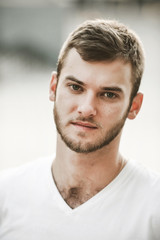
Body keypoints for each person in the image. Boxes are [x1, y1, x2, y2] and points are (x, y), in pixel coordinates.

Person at [0, 19, 160, 240]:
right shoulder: (6, 196)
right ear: (54, 88)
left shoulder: (153, 210)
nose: (87, 109)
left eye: (109, 94)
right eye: (75, 87)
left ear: (134, 106)